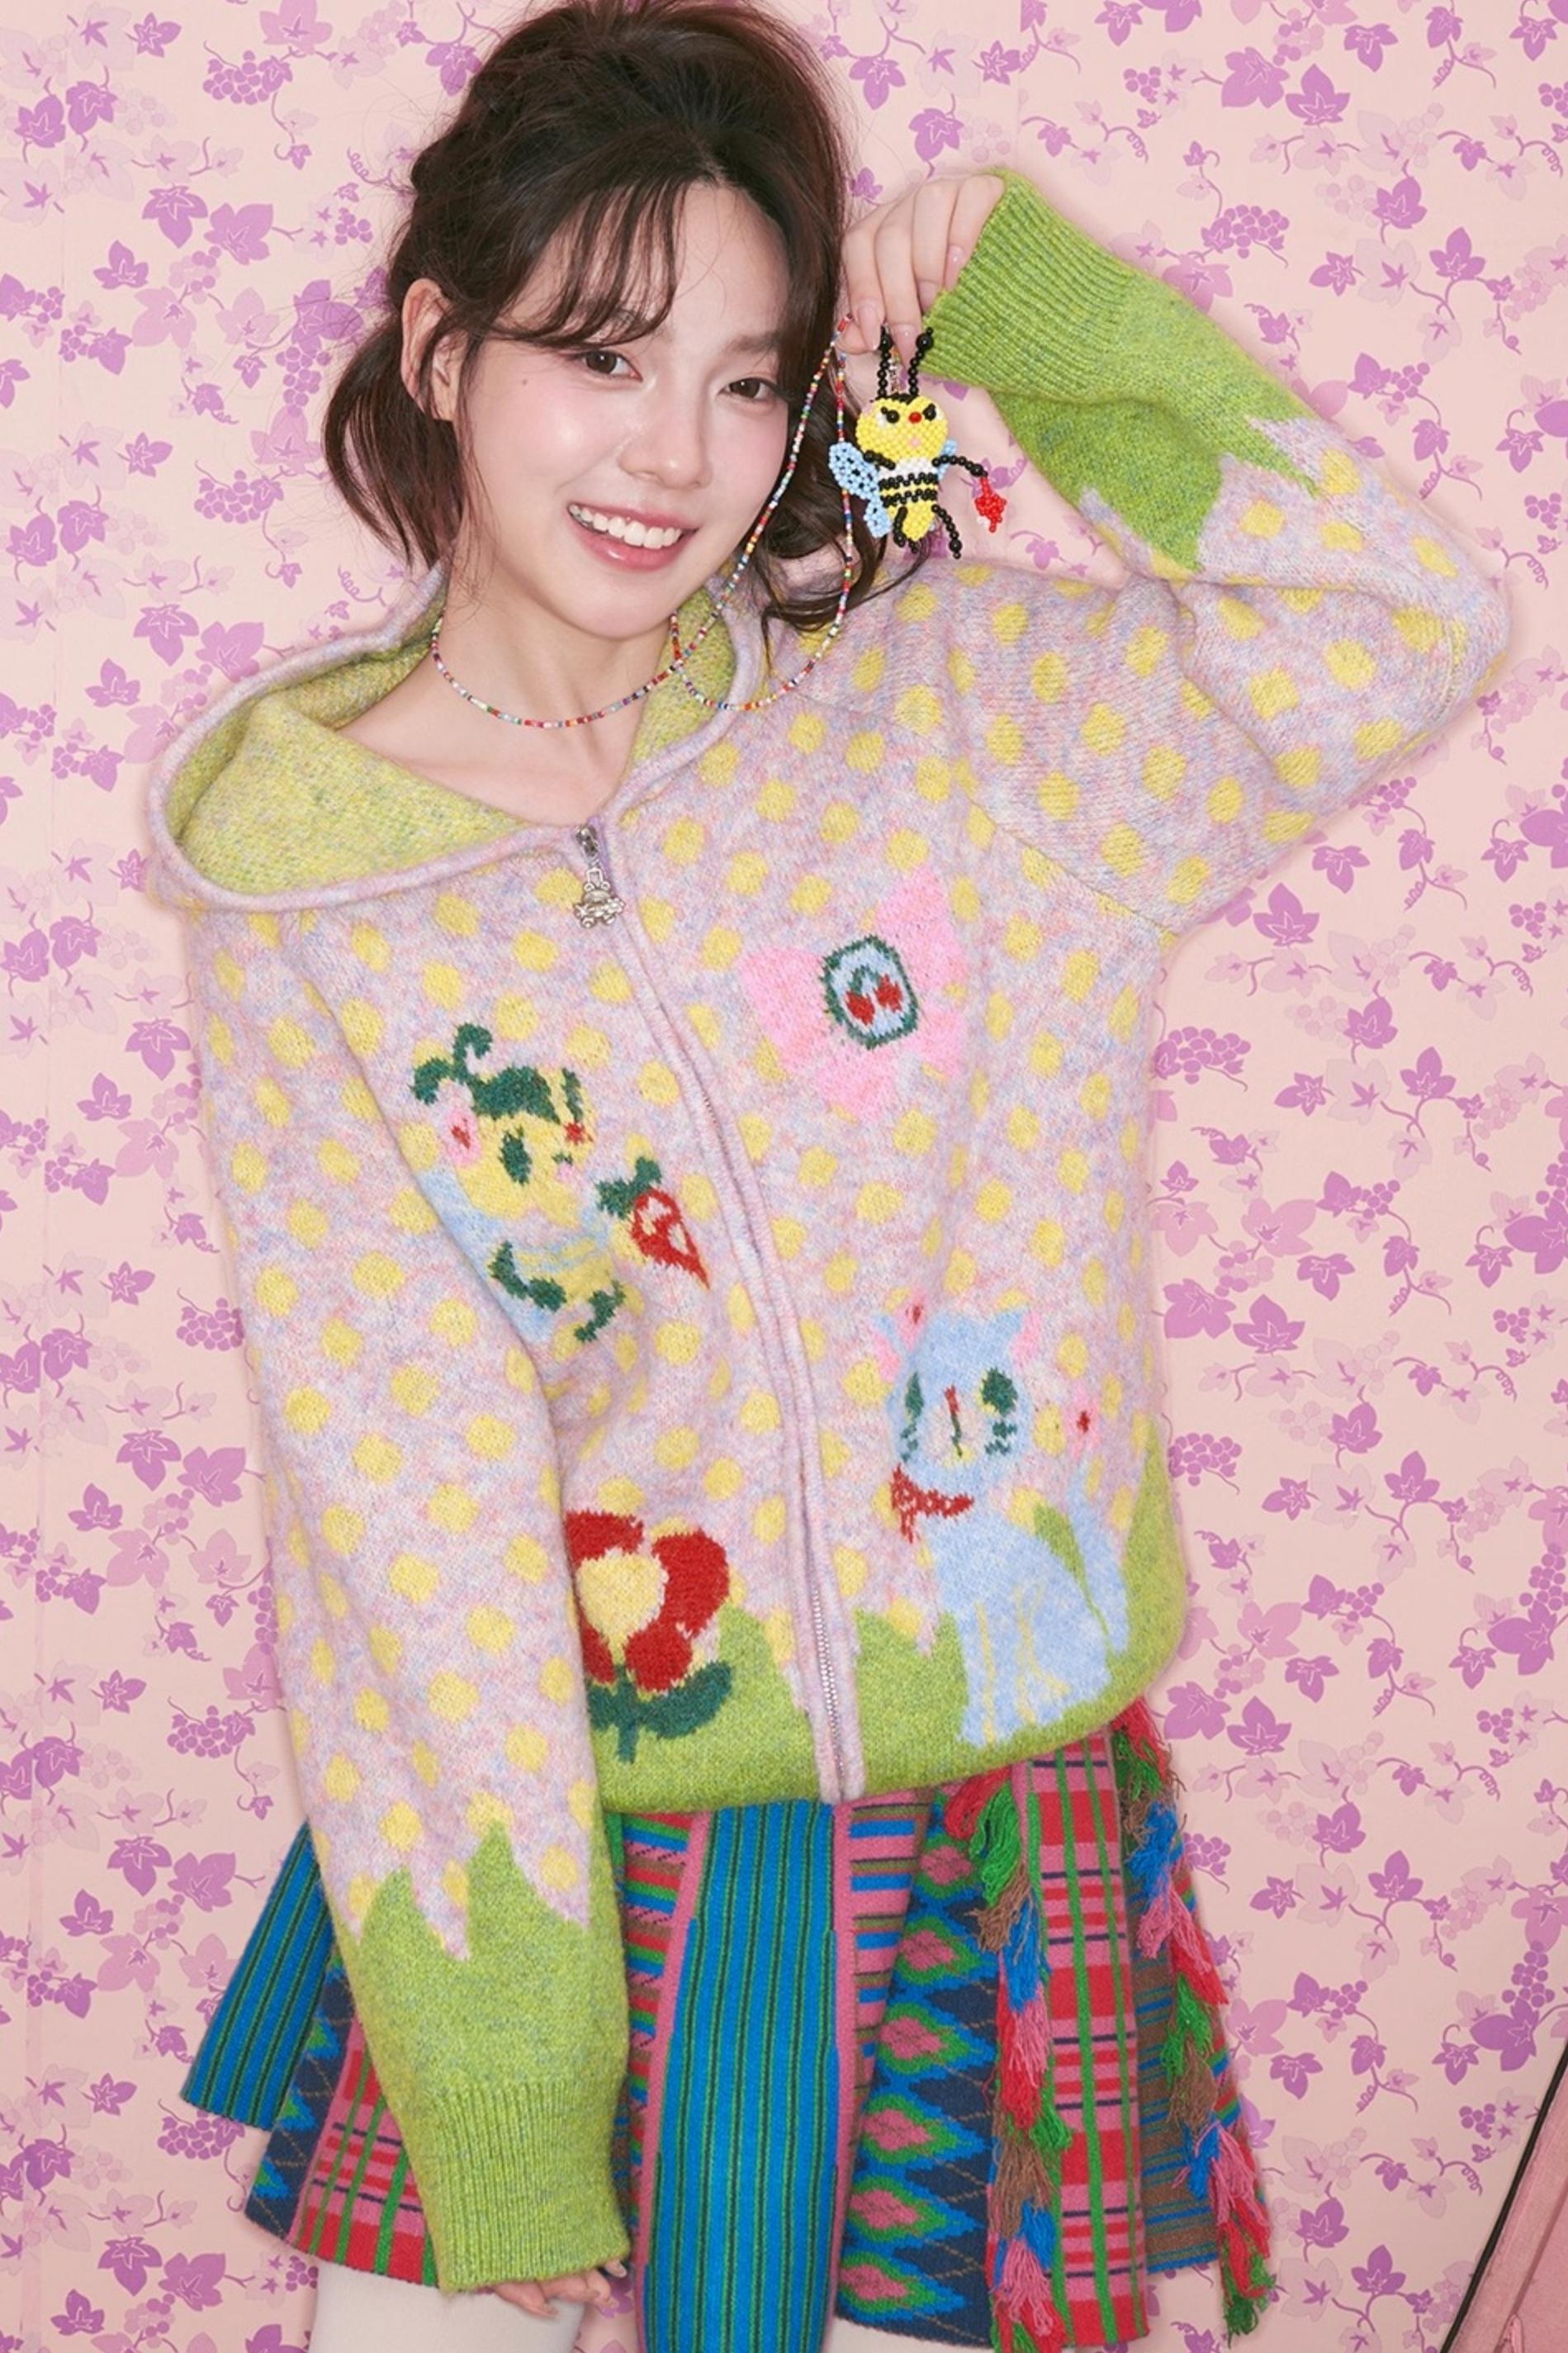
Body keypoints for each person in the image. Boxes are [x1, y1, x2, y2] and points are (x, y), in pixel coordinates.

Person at [145, 0, 1511, 2346]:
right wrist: (504, 2096)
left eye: (749, 378)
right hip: (557, 1872)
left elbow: (1403, 625)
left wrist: (1043, 324)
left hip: (970, 1858)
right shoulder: (313, 895)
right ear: (443, 350)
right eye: (601, 356)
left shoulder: (953, 720)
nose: (674, 455)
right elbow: (398, 1499)